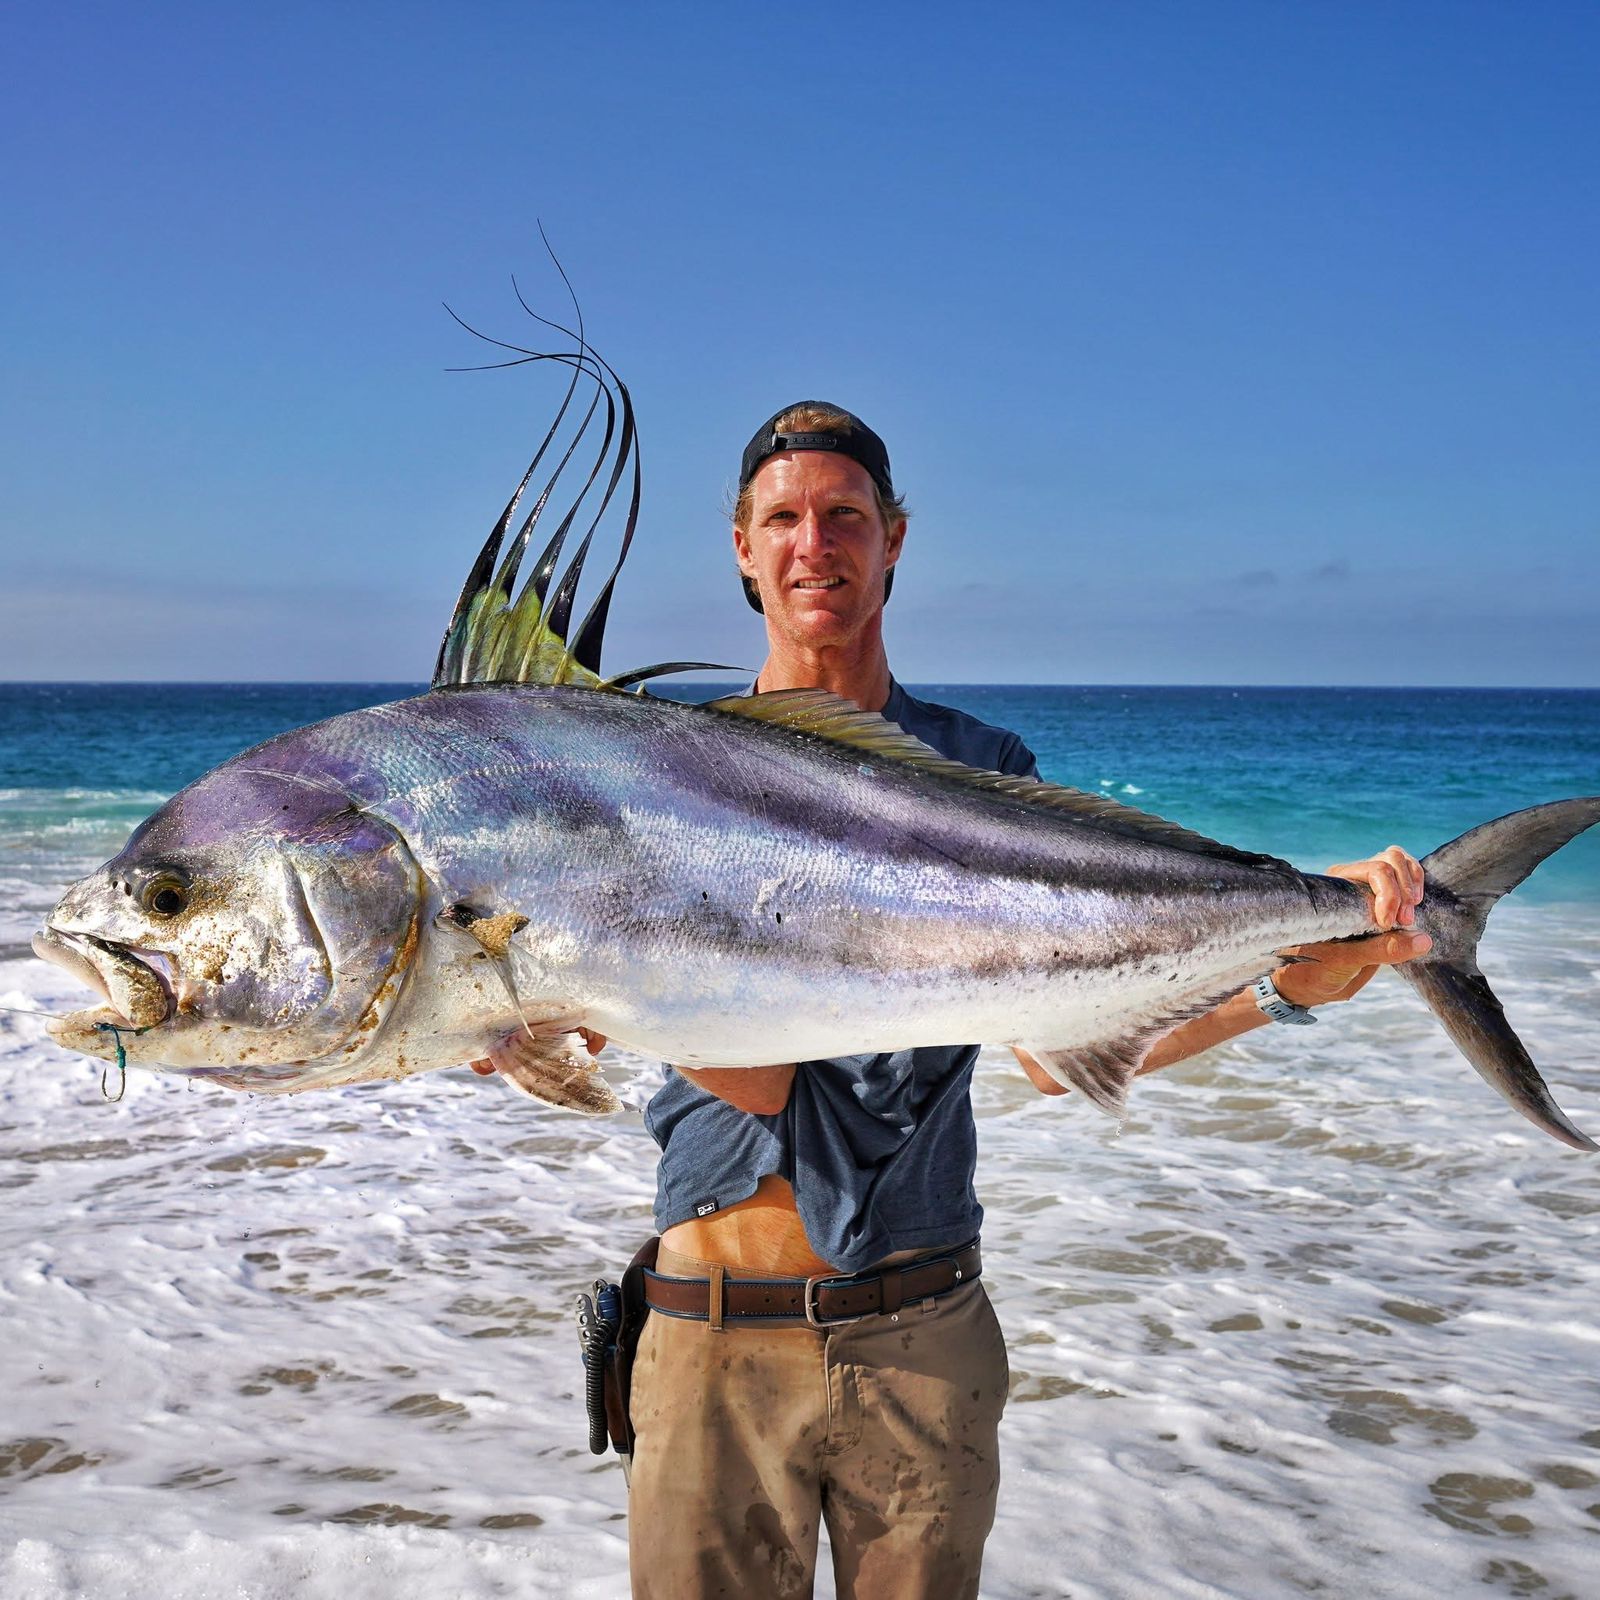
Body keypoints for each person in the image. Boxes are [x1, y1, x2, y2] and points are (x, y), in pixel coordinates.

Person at [586, 403, 1430, 1600]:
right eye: (782, 519)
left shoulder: (981, 771)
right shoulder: (655, 768)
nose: (813, 544)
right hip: (705, 1332)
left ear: (893, 539)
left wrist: (1290, 983)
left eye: (844, 516)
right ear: (741, 546)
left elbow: (1057, 1046)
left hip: (918, 1338)